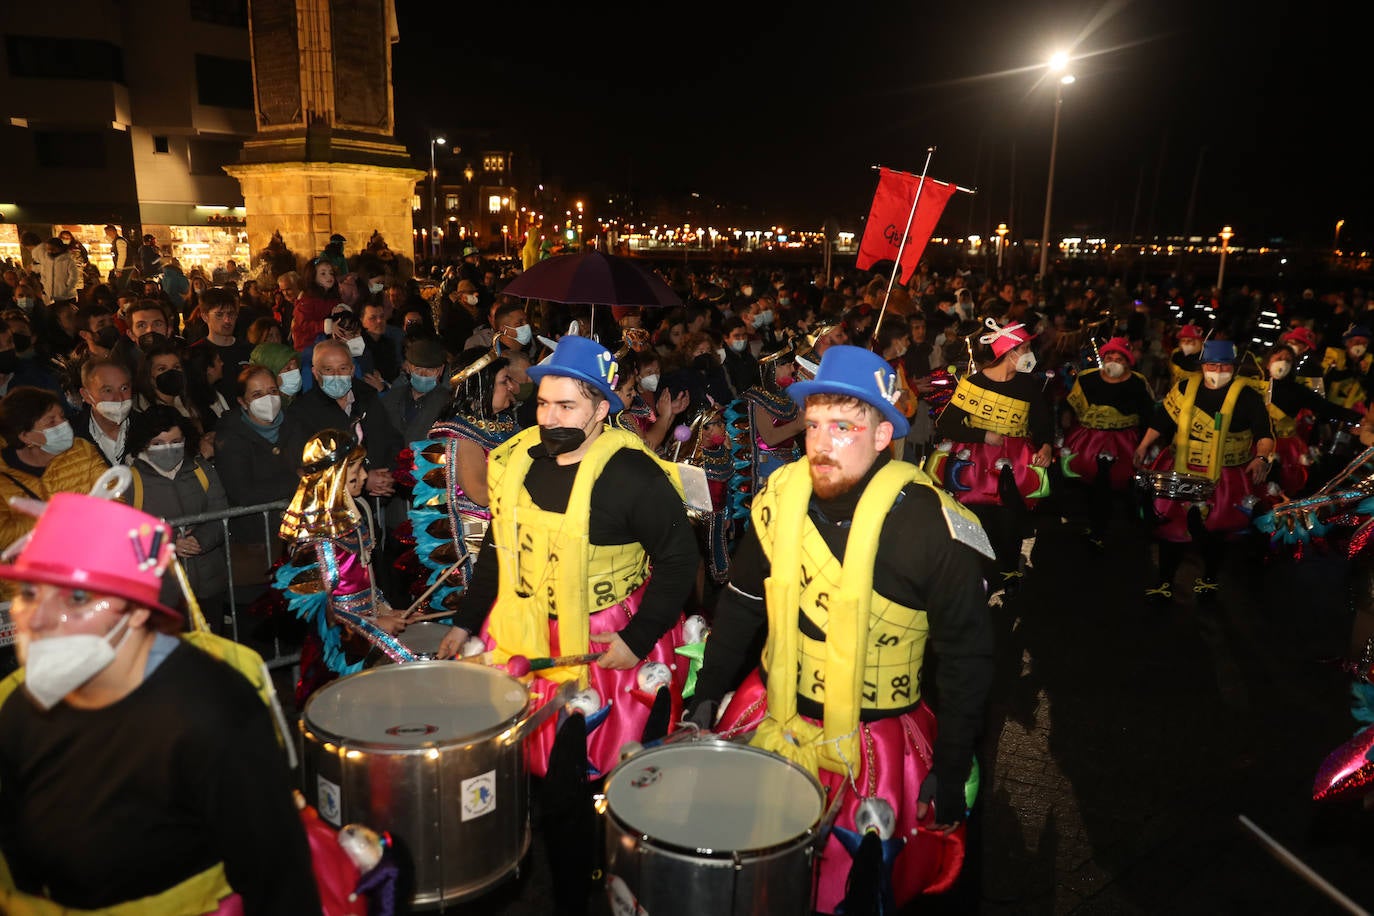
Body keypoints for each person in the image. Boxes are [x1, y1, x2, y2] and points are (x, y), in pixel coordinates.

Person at [688, 344, 996, 916]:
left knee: (850, 896)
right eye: (813, 426)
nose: (822, 444)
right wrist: (708, 689)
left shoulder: (933, 526)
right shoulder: (779, 499)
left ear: (883, 435)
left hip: (874, 744)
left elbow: (966, 658)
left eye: (844, 427)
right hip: (773, 717)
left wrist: (952, 770)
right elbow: (744, 601)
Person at [0, 491, 321, 914]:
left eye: (77, 598)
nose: (37, 618)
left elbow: (278, 879)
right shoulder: (20, 708)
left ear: (136, 612)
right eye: (28, 592)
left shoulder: (214, 714)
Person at [432, 334, 697, 773]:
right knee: (525, 771)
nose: (549, 418)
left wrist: (638, 639)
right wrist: (466, 623)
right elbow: (501, 549)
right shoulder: (518, 461)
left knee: (596, 775)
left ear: (601, 409)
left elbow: (680, 559)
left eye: (566, 406)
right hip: (520, 630)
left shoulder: (632, 475)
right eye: (542, 403)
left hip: (606, 642)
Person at [274, 429, 409, 706]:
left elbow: (364, 586)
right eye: (355, 470)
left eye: (362, 468)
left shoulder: (350, 518)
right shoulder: (318, 539)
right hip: (342, 647)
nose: (362, 476)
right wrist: (375, 625)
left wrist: (383, 610)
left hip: (367, 632)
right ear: (332, 478)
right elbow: (328, 612)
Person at [1134, 339, 1275, 603]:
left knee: (1216, 529)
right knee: (1171, 528)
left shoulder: (1248, 397)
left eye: (1224, 366)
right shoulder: (1185, 388)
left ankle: (1209, 577)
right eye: (1212, 365)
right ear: (1202, 366)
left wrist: (1261, 457)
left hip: (1225, 476)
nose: (1218, 371)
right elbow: (1163, 420)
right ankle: (1164, 581)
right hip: (1182, 469)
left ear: (1233, 367)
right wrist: (1143, 445)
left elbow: (1264, 434)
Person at [929, 318, 1053, 603]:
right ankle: (976, 576)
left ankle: (1009, 571)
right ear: (1011, 353)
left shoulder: (1028, 386)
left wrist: (1046, 446)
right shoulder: (974, 384)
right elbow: (946, 424)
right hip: (977, 466)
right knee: (979, 520)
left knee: (1011, 518)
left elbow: (1043, 421)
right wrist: (982, 435)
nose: (1030, 355)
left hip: (1015, 465)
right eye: (1026, 348)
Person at [403, 345, 521, 616]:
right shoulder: (461, 433)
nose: (512, 387)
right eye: (505, 381)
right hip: (480, 551)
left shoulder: (504, 423)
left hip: (507, 538)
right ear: (482, 385)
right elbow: (480, 493)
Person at [122, 404, 230, 632]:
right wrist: (170, 544)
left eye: (175, 442)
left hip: (208, 583)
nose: (168, 449)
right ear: (144, 444)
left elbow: (220, 512)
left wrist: (201, 540)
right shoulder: (131, 482)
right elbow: (126, 534)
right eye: (158, 444)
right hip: (161, 592)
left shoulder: (201, 470)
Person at [1058, 336, 1157, 545]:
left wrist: (1144, 444)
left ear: (1128, 361)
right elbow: (1070, 404)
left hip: (1124, 441)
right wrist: (1066, 416)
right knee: (1089, 482)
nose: (1114, 361)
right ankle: (1096, 524)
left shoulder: (1138, 383)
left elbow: (1149, 415)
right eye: (1109, 356)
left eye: (1119, 358)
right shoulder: (1087, 378)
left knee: (1121, 483)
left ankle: (1118, 525)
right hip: (1088, 439)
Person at [0, 386, 108, 554]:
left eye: (62, 416)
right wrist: (58, 521)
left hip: (86, 558)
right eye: (51, 421)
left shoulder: (82, 450)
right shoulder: (4, 474)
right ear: (26, 436)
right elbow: (4, 535)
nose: (63, 424)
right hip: (30, 573)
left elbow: (113, 496)